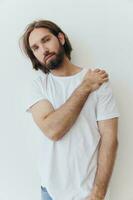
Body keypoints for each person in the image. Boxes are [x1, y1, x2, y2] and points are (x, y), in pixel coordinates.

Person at [19, 20, 120, 200]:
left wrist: (98, 193)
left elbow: (110, 140)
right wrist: (85, 87)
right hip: (50, 192)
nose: (43, 49)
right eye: (35, 48)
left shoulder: (99, 81)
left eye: (46, 40)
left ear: (61, 38)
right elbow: (53, 130)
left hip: (90, 193)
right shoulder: (38, 86)